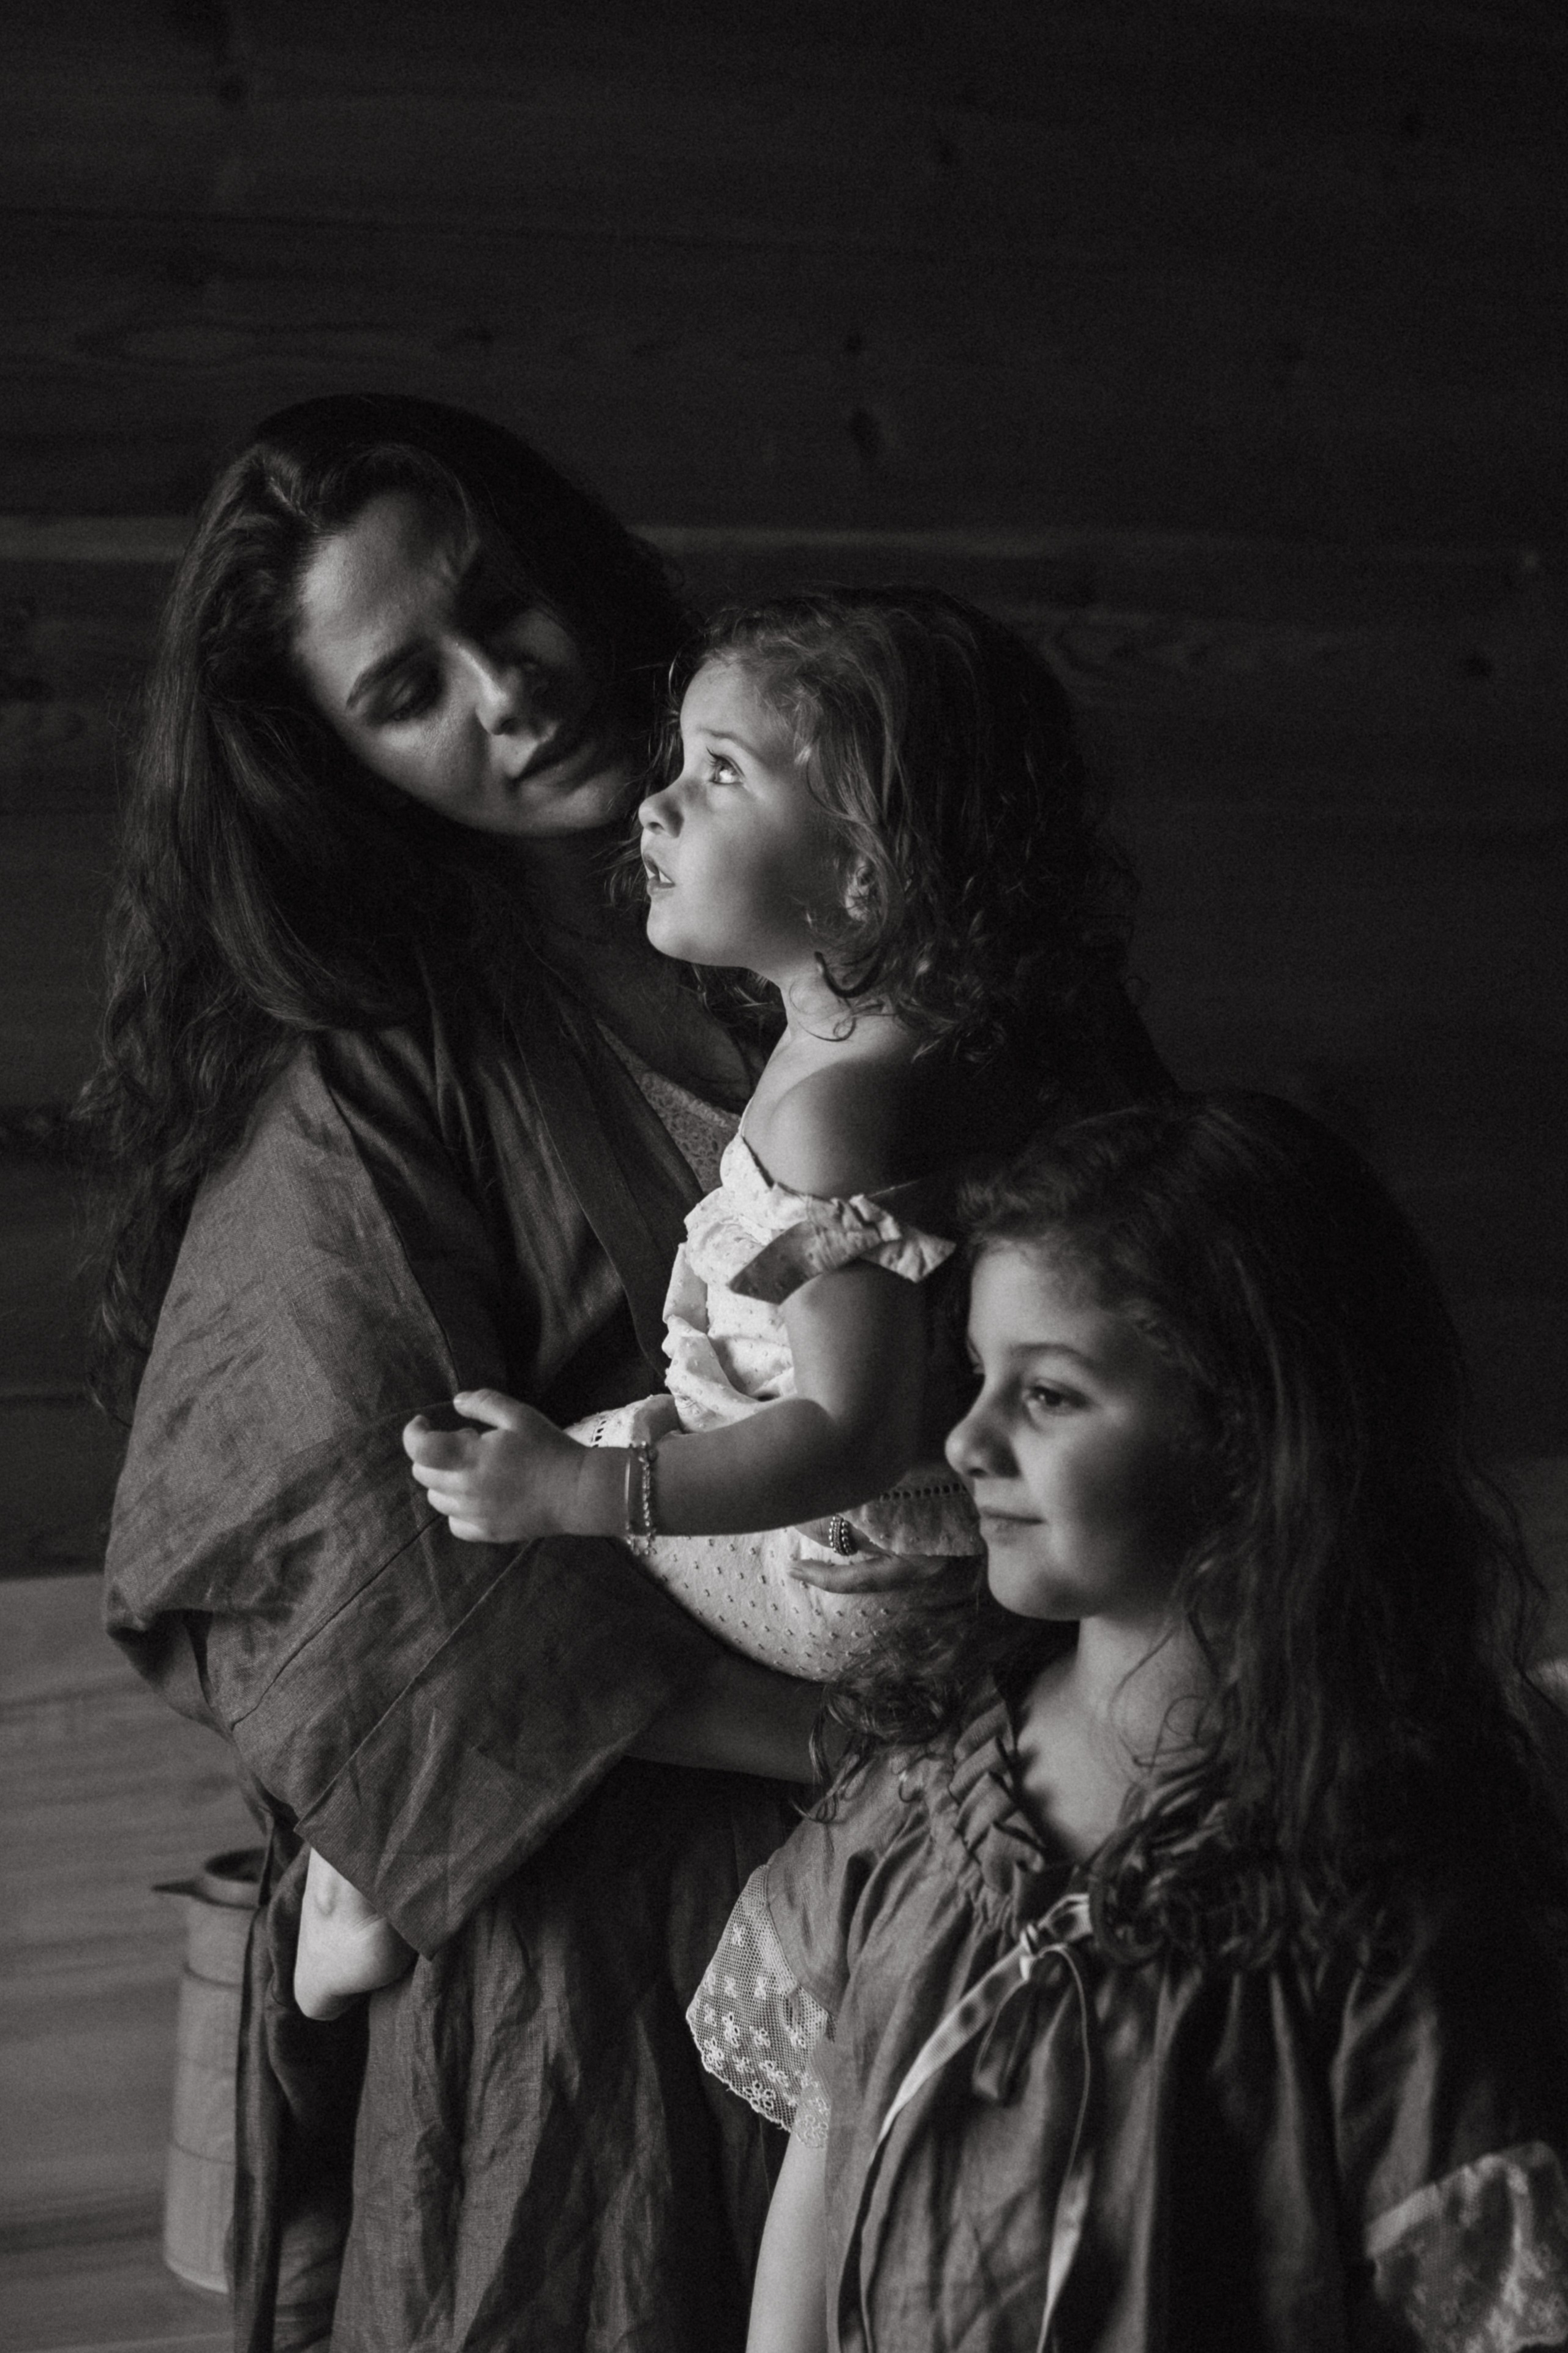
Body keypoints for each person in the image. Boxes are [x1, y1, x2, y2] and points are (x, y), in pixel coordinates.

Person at [88, 398, 1164, 2353]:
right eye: (408, 689)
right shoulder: (364, 1081)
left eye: (503, 604)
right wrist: (833, 1752)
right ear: (334, 763)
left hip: (1019, 1755)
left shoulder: (926, 928)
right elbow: (335, 1524)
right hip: (608, 1871)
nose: (507, 691)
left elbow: (1161, 1295)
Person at [295, 589, 1163, 2019]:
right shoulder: (939, 1049)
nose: (655, 804)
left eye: (718, 774)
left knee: (466, 1555)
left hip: (834, 1566)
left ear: (859, 878)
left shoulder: (832, 1123)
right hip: (906, 1550)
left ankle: (369, 1878)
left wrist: (588, 1492)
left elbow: (849, 1430)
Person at [692, 1094, 1568, 2351]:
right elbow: (823, 2174)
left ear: (1248, 1437)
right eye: (979, 1375)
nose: (966, 1438)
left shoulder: (1380, 1906)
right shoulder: (916, 1796)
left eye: (1049, 1395)